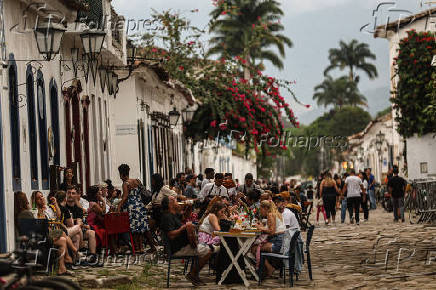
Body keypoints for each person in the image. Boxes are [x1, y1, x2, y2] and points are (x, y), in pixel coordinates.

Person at [160, 196, 212, 286]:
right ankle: (193, 274)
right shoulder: (167, 217)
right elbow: (171, 235)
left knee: (206, 246)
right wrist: (183, 228)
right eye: (176, 201)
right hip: (178, 249)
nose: (178, 202)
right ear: (170, 204)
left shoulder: (173, 214)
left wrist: (189, 206)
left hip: (183, 245)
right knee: (208, 250)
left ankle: (194, 274)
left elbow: (186, 216)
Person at [116, 164, 150, 253]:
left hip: (132, 206)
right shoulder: (137, 181)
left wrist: (119, 206)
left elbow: (125, 197)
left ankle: (137, 248)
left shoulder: (125, 183)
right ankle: (141, 247)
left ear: (122, 174)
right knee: (140, 229)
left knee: (134, 229)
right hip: (140, 205)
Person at [253, 200, 285, 277]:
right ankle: (265, 269)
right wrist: (262, 227)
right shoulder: (275, 213)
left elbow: (271, 231)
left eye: (261, 209)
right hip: (281, 241)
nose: (260, 212)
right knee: (256, 247)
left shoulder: (270, 215)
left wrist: (259, 228)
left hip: (277, 243)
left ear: (265, 208)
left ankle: (268, 268)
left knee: (254, 248)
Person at [65, 186, 98, 261]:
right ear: (66, 194)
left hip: (78, 229)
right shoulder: (64, 207)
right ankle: (77, 258)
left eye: (73, 193)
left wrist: (78, 223)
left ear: (76, 196)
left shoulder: (79, 209)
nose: (70, 195)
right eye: (69, 193)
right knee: (77, 234)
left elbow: (79, 222)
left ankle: (92, 257)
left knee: (91, 232)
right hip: (68, 229)